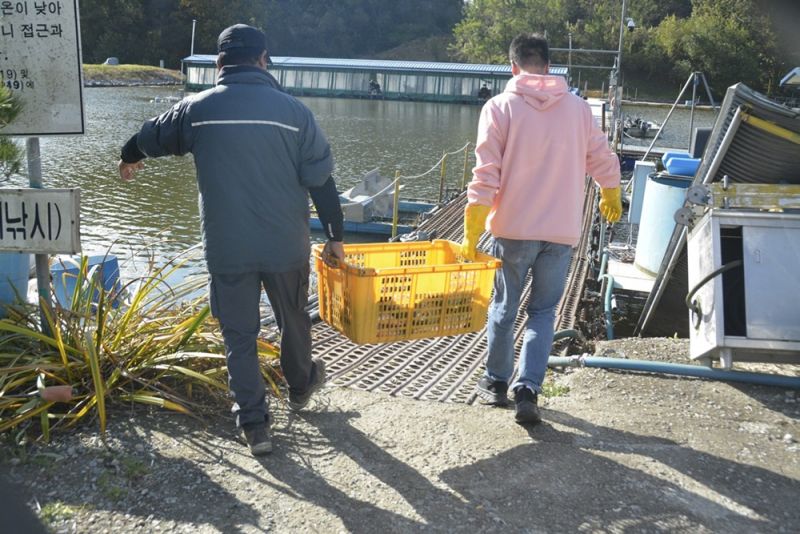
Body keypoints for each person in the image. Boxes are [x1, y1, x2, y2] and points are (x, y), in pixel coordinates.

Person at [117, 24, 345, 455]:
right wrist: (335, 236)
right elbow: (321, 181)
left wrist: (129, 157)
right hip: (285, 246)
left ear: (219, 63)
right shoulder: (296, 113)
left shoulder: (197, 109)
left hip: (228, 248)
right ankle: (300, 386)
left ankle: (255, 426)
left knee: (239, 336)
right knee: (293, 319)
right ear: (263, 60)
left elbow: (148, 137)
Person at [461, 33, 621, 425]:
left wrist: (473, 225)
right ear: (549, 67)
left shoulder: (499, 107)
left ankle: (496, 382)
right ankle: (528, 389)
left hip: (513, 229)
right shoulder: (578, 109)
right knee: (544, 312)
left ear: (513, 66)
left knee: (504, 307)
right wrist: (611, 190)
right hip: (561, 231)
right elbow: (601, 156)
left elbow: (486, 173)